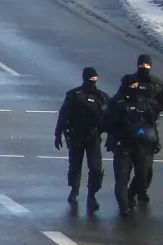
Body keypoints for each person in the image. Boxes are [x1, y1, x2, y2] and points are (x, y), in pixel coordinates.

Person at [55, 66, 108, 212]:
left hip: (93, 136)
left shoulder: (102, 97)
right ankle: (74, 189)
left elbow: (110, 118)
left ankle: (92, 195)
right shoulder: (74, 95)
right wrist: (58, 133)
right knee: (75, 166)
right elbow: (63, 114)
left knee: (96, 168)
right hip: (76, 135)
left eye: (95, 80)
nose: (92, 82)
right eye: (90, 79)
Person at [105, 75, 159, 217]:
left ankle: (131, 194)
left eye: (136, 86)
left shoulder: (144, 102)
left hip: (142, 146)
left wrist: (156, 140)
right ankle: (123, 206)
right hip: (123, 145)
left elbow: (151, 122)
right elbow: (106, 123)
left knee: (143, 176)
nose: (134, 89)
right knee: (122, 177)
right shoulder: (116, 103)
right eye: (131, 86)